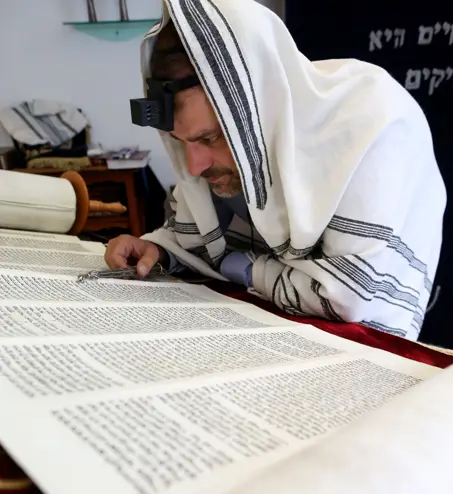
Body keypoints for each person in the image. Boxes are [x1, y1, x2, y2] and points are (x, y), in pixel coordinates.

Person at [106, 0, 446, 340]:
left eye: (210, 137)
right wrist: (159, 250)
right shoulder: (235, 142)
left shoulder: (372, 121)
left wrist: (237, 266)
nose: (195, 166)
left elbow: (346, 298)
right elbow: (193, 241)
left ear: (254, 111)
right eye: (180, 142)